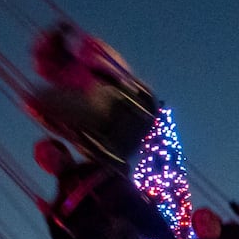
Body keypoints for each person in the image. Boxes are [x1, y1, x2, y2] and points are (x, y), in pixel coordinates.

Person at [33, 137, 184, 239]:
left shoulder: (94, 167)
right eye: (43, 160)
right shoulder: (61, 203)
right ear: (44, 168)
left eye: (50, 154)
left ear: (63, 152)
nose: (49, 160)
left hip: (129, 217)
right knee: (85, 238)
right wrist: (49, 216)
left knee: (124, 194)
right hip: (108, 237)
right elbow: (62, 237)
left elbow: (122, 168)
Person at [25, 23, 157, 166]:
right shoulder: (82, 60)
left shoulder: (87, 56)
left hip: (116, 109)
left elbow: (113, 71)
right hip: (118, 116)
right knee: (48, 103)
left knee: (43, 100)